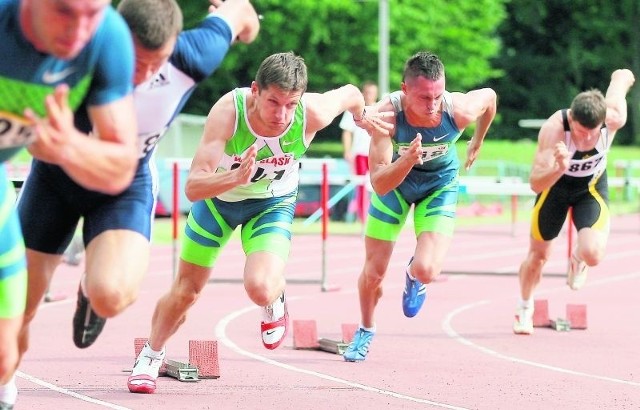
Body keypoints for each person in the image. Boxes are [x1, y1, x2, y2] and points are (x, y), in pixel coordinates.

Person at [127, 51, 391, 394]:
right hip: (217, 203)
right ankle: (151, 355)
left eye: (290, 104)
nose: (281, 115)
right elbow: (193, 187)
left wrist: (363, 116)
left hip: (271, 205)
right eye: (273, 102)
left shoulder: (312, 113)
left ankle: (274, 300)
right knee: (186, 293)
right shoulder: (229, 112)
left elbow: (352, 93)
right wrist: (235, 178)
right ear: (255, 91)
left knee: (260, 286)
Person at [17, 0, 260, 369]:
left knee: (111, 295)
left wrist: (246, 30)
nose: (143, 73)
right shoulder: (72, 50)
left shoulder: (192, 55)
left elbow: (240, 10)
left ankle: (89, 289)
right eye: (134, 59)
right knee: (18, 309)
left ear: (175, 44)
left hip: (124, 186)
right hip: (55, 181)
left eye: (156, 61)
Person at [0, 0, 138, 408]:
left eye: (91, 14)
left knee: (5, 353)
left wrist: (68, 145)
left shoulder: (106, 37)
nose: (79, 30)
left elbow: (119, 167)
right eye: (64, 11)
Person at [342, 51, 497, 362]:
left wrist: (478, 139)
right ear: (404, 90)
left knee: (428, 269)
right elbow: (380, 183)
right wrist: (407, 161)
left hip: (438, 184)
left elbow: (490, 98)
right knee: (373, 273)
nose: (433, 105)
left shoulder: (459, 110)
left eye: (438, 95)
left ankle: (414, 276)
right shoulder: (386, 117)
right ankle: (366, 328)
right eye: (425, 97)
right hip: (395, 184)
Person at [512, 69, 635, 335]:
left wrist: (621, 77)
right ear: (571, 119)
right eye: (580, 132)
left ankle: (577, 258)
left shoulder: (614, 117)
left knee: (593, 254)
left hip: (589, 189)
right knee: (538, 257)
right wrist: (558, 167)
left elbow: (621, 80)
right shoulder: (554, 130)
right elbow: (535, 182)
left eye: (592, 133)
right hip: (553, 189)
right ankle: (525, 307)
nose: (586, 139)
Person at [339, 81, 379, 223]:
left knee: (378, 184)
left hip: (375, 153)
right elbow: (347, 131)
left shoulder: (379, 109)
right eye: (367, 93)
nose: (370, 95)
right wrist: (347, 151)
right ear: (363, 93)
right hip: (360, 153)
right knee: (361, 186)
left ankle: (378, 214)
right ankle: (363, 217)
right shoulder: (354, 110)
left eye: (372, 93)